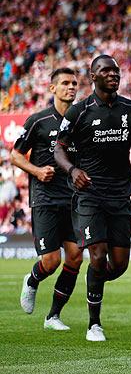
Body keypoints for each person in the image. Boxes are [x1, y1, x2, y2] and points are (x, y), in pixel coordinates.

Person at [54, 55, 131, 342]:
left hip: (120, 195)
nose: (113, 75)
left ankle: (92, 281)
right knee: (97, 256)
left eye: (116, 71)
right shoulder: (79, 111)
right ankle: (94, 324)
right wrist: (72, 170)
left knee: (118, 265)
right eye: (105, 71)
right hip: (90, 195)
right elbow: (58, 150)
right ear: (93, 76)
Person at [16, 68, 83, 331]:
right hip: (44, 198)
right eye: (65, 83)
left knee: (76, 257)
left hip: (73, 199)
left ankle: (53, 316)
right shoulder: (38, 120)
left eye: (74, 83)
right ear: (52, 88)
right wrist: (37, 171)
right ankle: (32, 281)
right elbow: (16, 155)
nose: (71, 87)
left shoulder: (82, 120)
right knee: (51, 261)